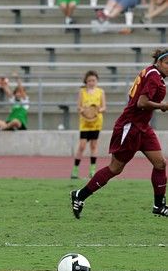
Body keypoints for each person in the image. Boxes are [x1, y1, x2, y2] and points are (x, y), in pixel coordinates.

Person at [71, 48, 168, 220]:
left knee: (160, 163)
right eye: (167, 63)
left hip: (143, 127)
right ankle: (80, 195)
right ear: (159, 62)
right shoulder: (154, 76)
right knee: (115, 168)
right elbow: (141, 102)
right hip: (130, 127)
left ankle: (158, 205)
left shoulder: (152, 72)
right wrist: (162, 106)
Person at [71, 70, 106, 179]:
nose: (91, 82)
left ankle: (92, 170)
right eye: (89, 80)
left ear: (97, 81)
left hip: (96, 122)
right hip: (85, 123)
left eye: (93, 80)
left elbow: (104, 107)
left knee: (94, 145)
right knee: (81, 146)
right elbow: (78, 106)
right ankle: (75, 170)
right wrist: (84, 111)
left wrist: (97, 110)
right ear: (86, 81)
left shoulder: (100, 92)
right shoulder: (82, 92)